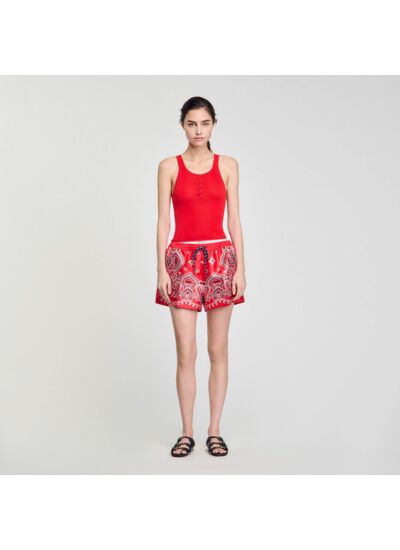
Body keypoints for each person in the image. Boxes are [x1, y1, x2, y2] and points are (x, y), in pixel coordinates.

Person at [155, 96, 246, 457]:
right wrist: (161, 268)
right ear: (183, 125)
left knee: (217, 349)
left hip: (221, 260)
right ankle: (186, 432)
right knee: (186, 351)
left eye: (204, 123)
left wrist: (241, 267)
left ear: (213, 125)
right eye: (192, 123)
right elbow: (163, 220)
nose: (198, 130)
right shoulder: (168, 166)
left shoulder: (228, 165)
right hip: (181, 260)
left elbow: (234, 219)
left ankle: (214, 431)